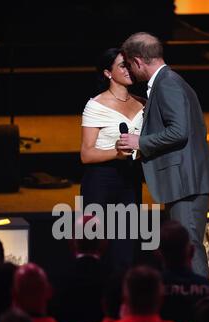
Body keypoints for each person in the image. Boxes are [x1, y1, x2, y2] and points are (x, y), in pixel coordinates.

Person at [117, 32, 209, 278]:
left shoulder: (167, 83)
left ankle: (202, 304)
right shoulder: (168, 81)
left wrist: (141, 142)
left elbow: (179, 131)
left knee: (189, 248)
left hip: (186, 183)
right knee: (185, 248)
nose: (130, 71)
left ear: (138, 61)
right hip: (183, 181)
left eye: (129, 65)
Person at [80, 47, 145, 272]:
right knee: (96, 245)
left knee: (126, 247)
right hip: (101, 180)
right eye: (122, 66)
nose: (128, 70)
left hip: (131, 179)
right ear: (108, 73)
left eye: (129, 65)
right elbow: (86, 154)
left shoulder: (142, 103)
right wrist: (115, 153)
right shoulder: (96, 105)